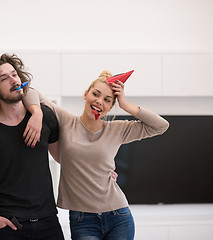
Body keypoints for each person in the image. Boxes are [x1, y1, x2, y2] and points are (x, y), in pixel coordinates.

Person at [23, 70, 170, 240]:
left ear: (110, 107)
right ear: (86, 94)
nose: (99, 102)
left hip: (118, 216)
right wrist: (37, 112)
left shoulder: (117, 129)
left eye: (107, 100)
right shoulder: (66, 121)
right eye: (95, 94)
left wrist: (125, 104)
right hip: (82, 220)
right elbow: (29, 91)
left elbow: (160, 126)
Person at [0, 53, 65, 240]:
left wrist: (99, 169)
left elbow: (64, 158)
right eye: (4, 78)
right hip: (10, 225)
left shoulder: (45, 116)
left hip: (48, 220)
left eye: (14, 74)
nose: (13, 80)